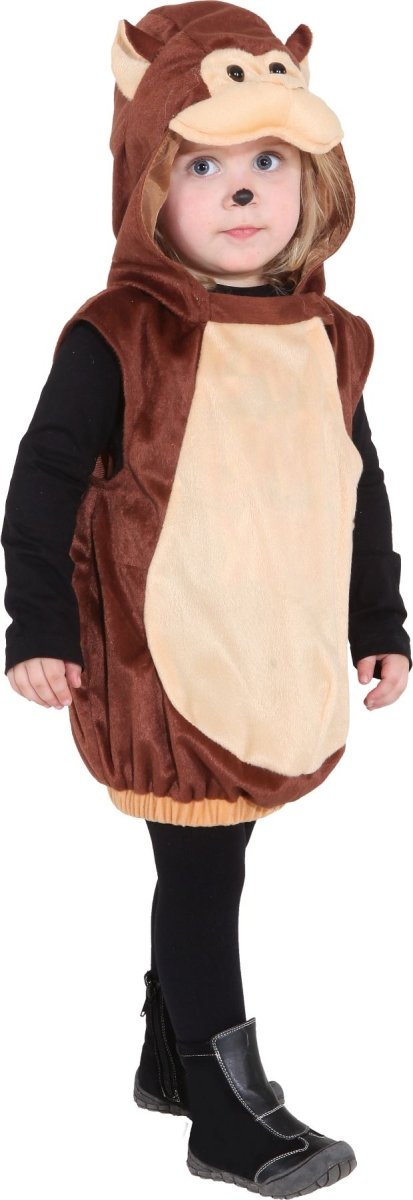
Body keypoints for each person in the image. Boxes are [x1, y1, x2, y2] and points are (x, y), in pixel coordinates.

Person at [2, 3, 411, 1195]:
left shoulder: (328, 339)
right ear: (148, 187)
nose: (241, 188)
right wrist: (37, 626)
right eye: (202, 166)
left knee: (210, 861)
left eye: (268, 160)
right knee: (202, 869)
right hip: (160, 657)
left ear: (313, 182)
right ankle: (223, 1109)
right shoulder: (125, 336)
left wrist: (377, 621)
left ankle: (166, 1057)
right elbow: (43, 479)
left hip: (265, 651)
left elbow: (356, 488)